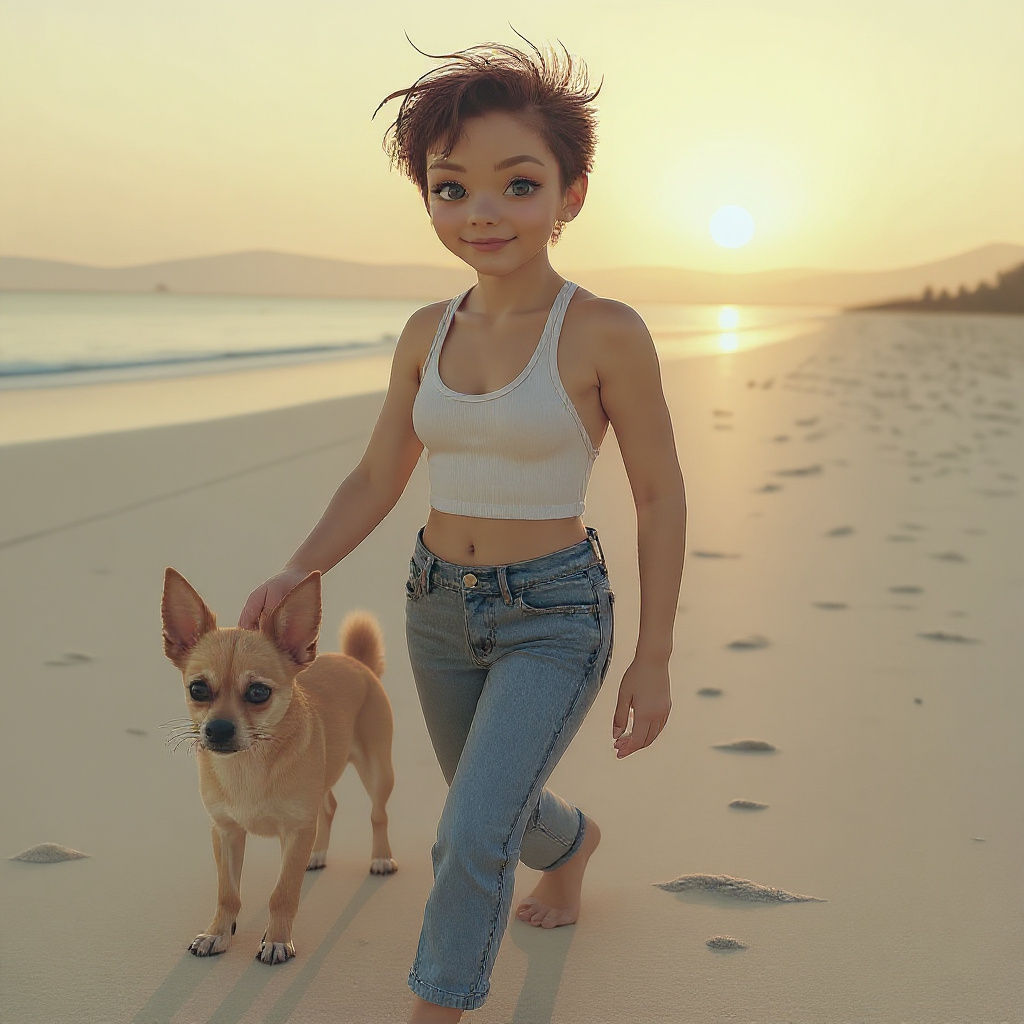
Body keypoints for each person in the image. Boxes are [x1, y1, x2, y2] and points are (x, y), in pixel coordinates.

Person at [239, 35, 686, 1023]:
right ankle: (569, 847)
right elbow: (376, 474)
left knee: (469, 826)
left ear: (570, 194)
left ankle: (435, 1008)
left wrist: (651, 657)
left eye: (516, 184)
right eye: (450, 189)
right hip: (436, 607)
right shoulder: (423, 332)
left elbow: (659, 495)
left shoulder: (606, 330)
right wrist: (297, 568)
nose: (480, 211)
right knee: (505, 810)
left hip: (554, 613)